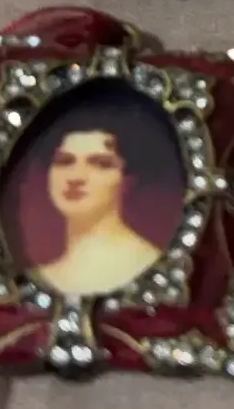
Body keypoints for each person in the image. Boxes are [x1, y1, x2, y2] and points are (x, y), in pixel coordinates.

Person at [29, 124, 165, 296]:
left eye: (101, 164)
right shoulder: (40, 276)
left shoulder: (145, 265)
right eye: (64, 161)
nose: (75, 177)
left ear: (127, 180)